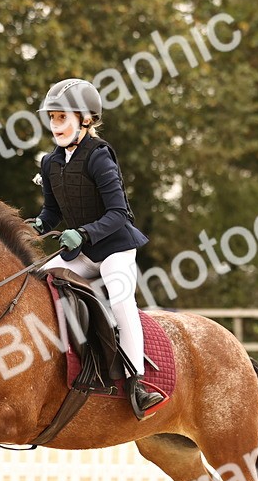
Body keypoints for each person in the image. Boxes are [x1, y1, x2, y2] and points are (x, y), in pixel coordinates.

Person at [25, 78, 163, 421]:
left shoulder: (99, 157)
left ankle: (137, 383)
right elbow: (53, 211)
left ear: (86, 119)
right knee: (37, 282)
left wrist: (84, 234)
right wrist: (40, 224)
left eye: (62, 117)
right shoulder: (50, 162)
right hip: (82, 251)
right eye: (52, 118)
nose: (55, 125)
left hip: (114, 248)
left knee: (119, 298)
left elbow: (119, 214)